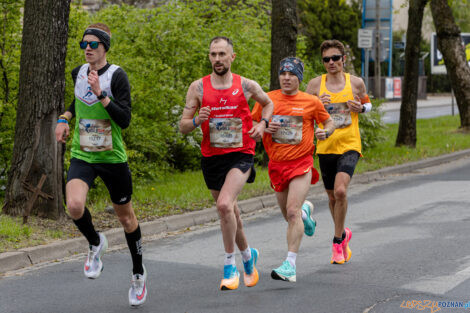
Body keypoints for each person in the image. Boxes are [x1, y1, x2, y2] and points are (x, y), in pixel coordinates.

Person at [55, 23, 147, 306]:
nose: (88, 49)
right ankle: (95, 242)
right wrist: (64, 118)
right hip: (83, 154)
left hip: (112, 157)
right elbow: (76, 99)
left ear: (105, 47)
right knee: (74, 206)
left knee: (126, 218)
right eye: (84, 44)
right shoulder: (78, 73)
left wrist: (101, 94)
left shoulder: (117, 76)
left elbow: (125, 120)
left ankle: (138, 273)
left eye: (93, 44)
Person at [179, 36, 274, 290]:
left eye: (222, 54)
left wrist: (262, 125)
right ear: (209, 57)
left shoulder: (246, 85)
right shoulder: (198, 88)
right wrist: (198, 120)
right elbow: (183, 127)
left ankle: (229, 265)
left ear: (232, 57)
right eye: (213, 54)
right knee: (231, 212)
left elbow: (268, 104)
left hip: (241, 153)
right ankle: (247, 256)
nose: (217, 59)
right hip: (212, 158)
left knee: (223, 205)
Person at [252, 57, 334, 282]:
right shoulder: (267, 100)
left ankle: (290, 265)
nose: (286, 78)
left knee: (291, 211)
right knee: (290, 217)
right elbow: (251, 125)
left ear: (299, 77)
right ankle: (305, 214)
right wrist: (265, 127)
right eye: (283, 74)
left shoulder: (311, 101)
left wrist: (325, 133)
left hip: (301, 163)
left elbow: (329, 123)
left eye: (292, 74)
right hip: (277, 165)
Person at [305, 39, 372, 265]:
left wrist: (361, 108)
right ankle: (343, 235)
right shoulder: (315, 85)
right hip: (326, 146)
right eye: (326, 59)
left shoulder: (355, 83)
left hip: (350, 144)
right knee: (332, 197)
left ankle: (336, 242)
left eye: (335, 58)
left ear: (343, 59)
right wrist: (315, 103)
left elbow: (368, 103)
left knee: (341, 191)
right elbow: (304, 116)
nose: (331, 62)